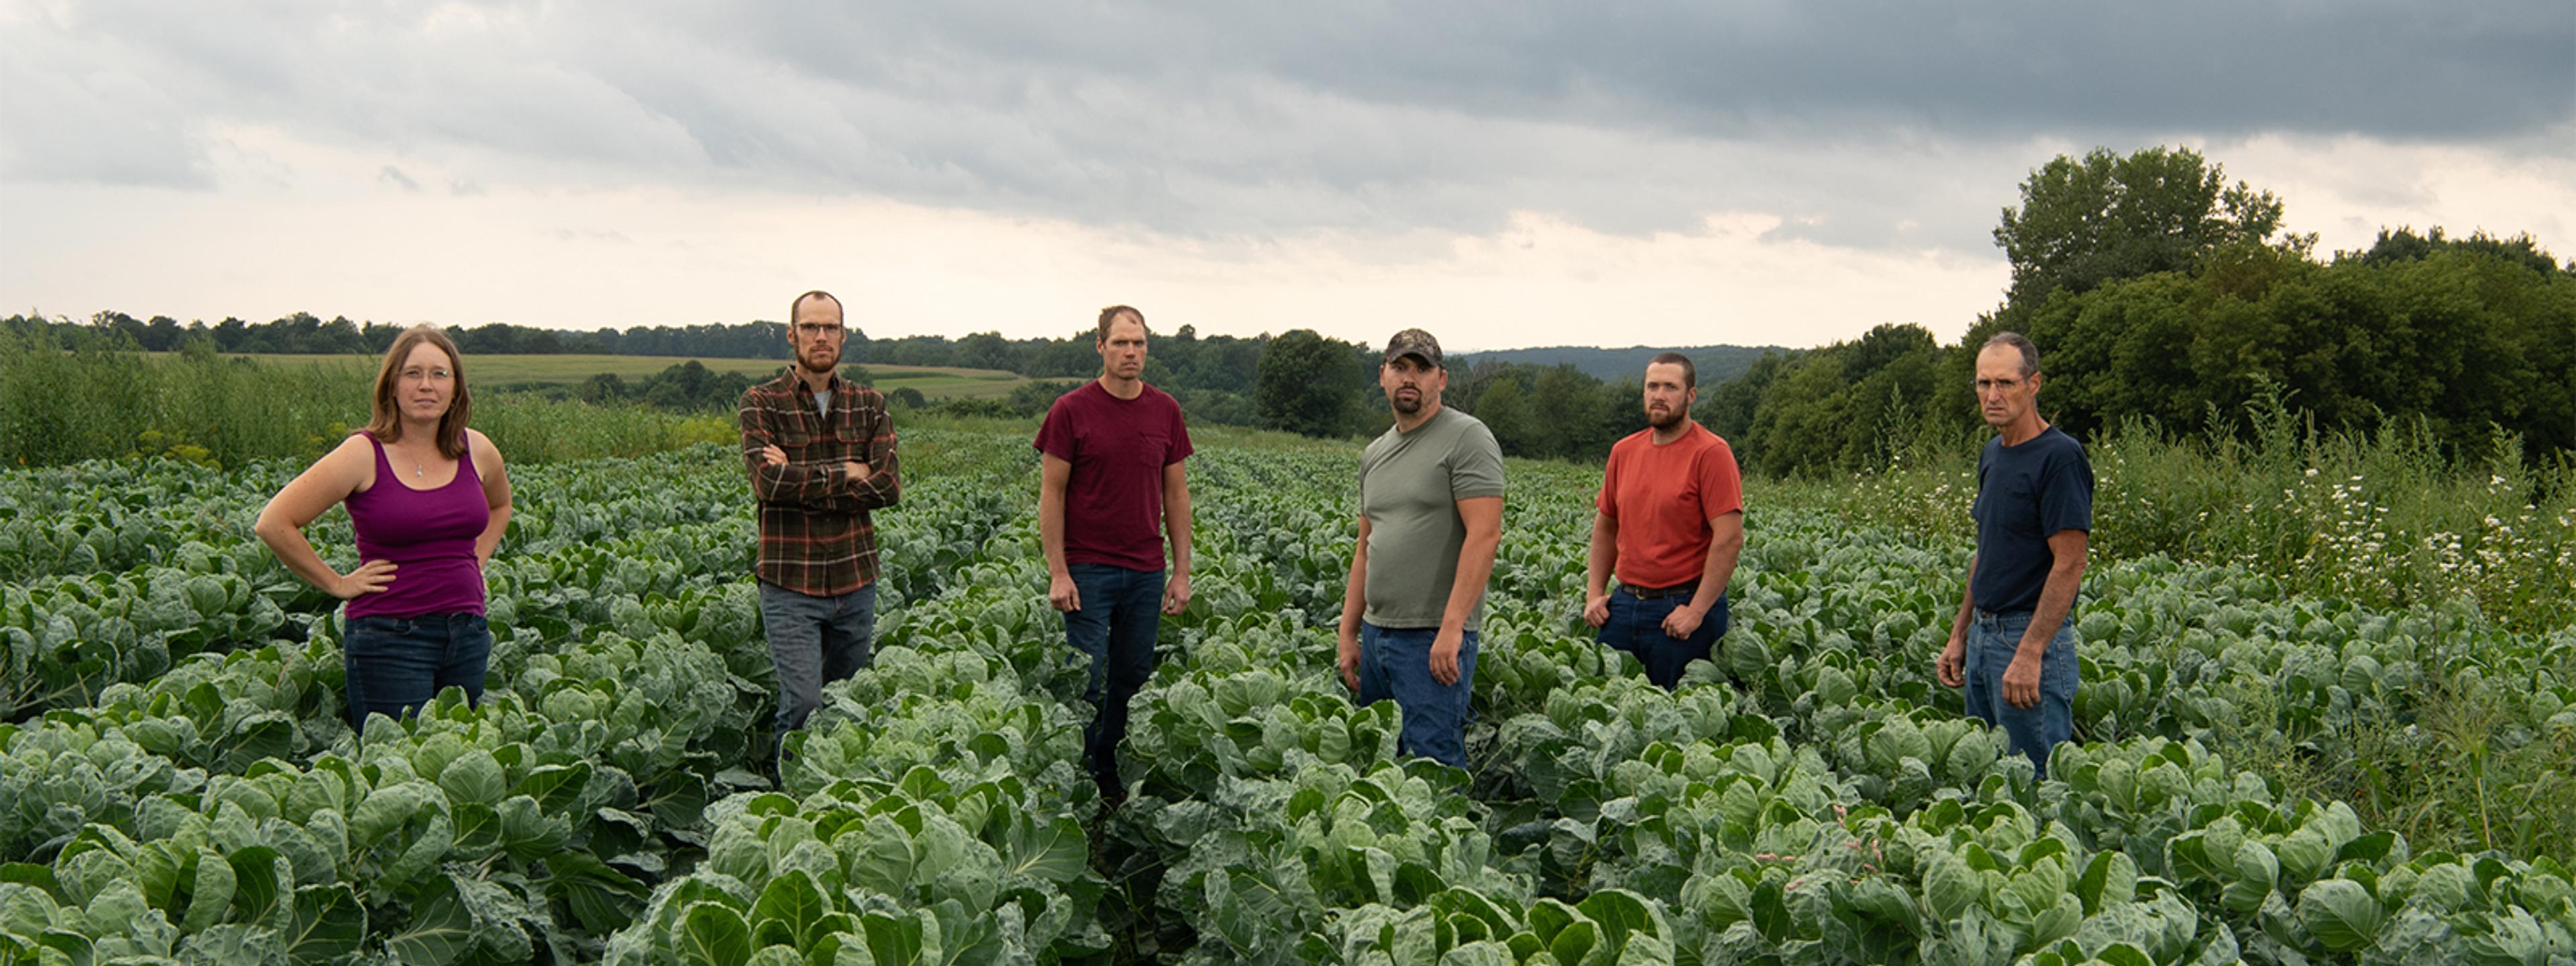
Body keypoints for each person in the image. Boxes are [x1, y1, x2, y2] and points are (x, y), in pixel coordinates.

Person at [256, 324, 513, 733]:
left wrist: (475, 560)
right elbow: (274, 522)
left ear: (456, 388)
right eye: (412, 374)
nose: (426, 386)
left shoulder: (477, 449)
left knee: (457, 754)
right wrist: (337, 584)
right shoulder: (363, 453)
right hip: (390, 639)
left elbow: (500, 506)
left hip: (468, 634)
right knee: (396, 772)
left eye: (439, 374)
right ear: (391, 385)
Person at [1037, 305, 1193, 806]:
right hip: (1088, 569)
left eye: (1140, 343)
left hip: (1147, 571)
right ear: (1100, 347)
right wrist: (1058, 572)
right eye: (1122, 342)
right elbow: (1051, 495)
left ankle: (1111, 775)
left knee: (1131, 679)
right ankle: (1077, 779)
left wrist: (1181, 572)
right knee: (1085, 676)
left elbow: (1176, 496)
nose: (1131, 352)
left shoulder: (1165, 410)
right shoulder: (1071, 410)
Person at [1337, 329, 1504, 769]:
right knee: (1379, 763)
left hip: (1432, 636)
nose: (1410, 378)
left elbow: (1484, 535)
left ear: (1442, 380)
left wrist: (1452, 629)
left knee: (1434, 763)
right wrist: (1349, 633)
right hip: (1377, 635)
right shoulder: (1375, 453)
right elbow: (1365, 547)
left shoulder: (1467, 438)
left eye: (1422, 369)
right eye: (1400, 367)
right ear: (1383, 376)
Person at [739, 289, 900, 744]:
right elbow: (767, 484)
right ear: (792, 335)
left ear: (844, 336)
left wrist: (798, 475)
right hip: (790, 583)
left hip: (856, 580)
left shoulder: (870, 404)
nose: (821, 336)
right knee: (804, 704)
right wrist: (848, 473)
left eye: (830, 327)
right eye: (810, 327)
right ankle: (791, 795)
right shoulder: (762, 401)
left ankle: (833, 794)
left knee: (844, 703)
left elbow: (888, 488)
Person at [1937, 332, 2092, 778]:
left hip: (2026, 638)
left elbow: (2070, 563)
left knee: (2035, 783)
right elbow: (1988, 551)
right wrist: (1960, 632)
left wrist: (2031, 653)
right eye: (1984, 384)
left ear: (2034, 384)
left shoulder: (2060, 457)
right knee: (1990, 779)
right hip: (1986, 637)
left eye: (2005, 383)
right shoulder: (1994, 453)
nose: (1993, 395)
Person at [1582, 353, 1744, 690]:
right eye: (1652, 386)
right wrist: (1595, 593)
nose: (1659, 395)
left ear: (1691, 396)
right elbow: (1606, 526)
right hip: (1624, 605)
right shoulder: (1624, 452)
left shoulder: (1711, 453)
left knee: (1679, 718)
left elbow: (1728, 539)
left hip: (1681, 608)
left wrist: (1697, 611)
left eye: (1670, 387)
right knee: (1607, 707)